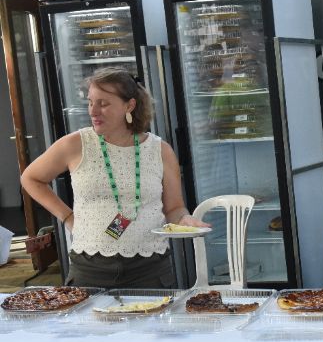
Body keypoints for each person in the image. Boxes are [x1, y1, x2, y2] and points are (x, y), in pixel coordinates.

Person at [20, 68, 208, 288]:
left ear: (129, 106)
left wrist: (184, 220)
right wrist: (68, 217)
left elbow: (174, 207)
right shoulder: (75, 144)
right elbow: (31, 178)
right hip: (89, 268)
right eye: (90, 102)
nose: (93, 111)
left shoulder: (160, 150)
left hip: (149, 268)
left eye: (103, 104)